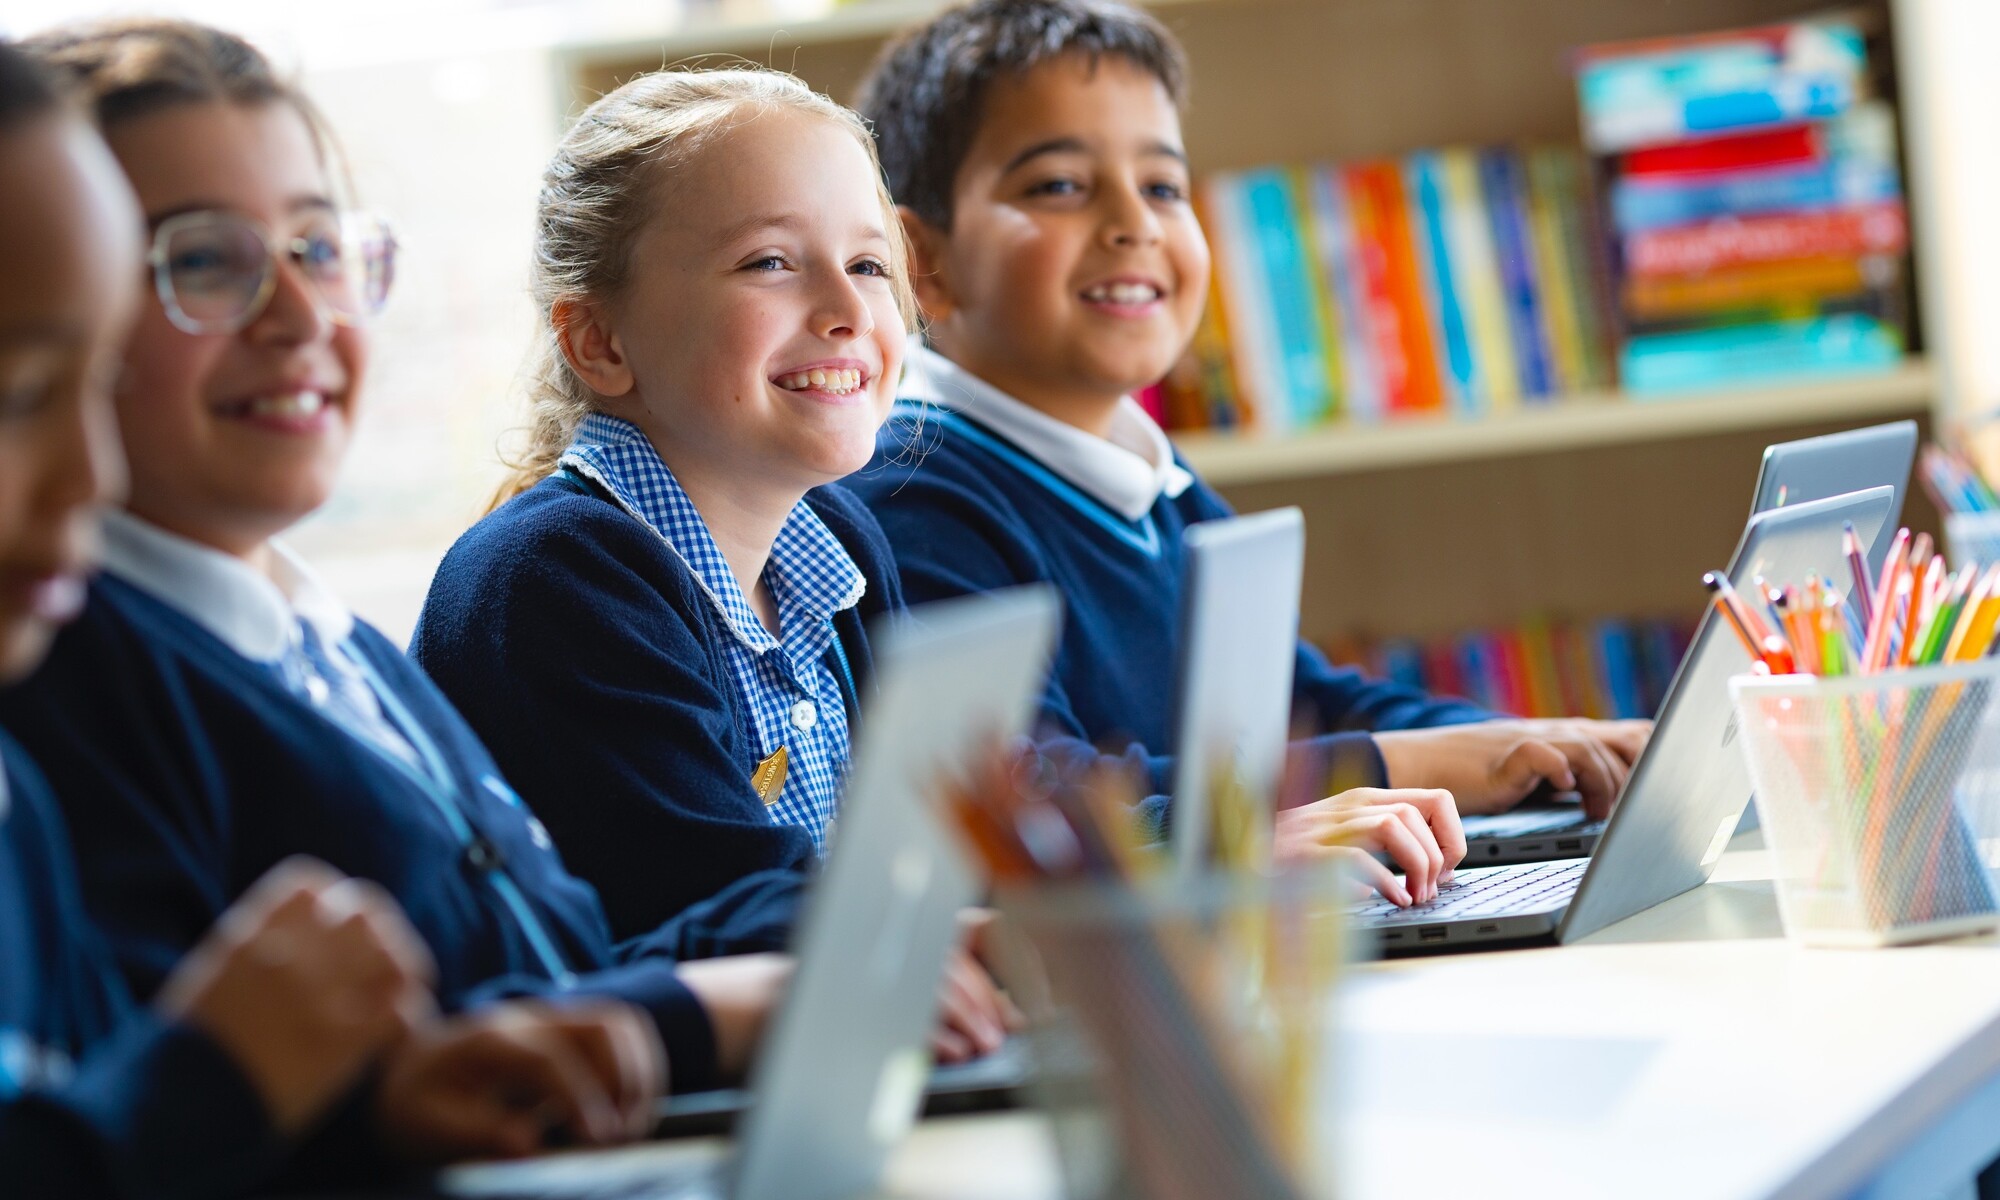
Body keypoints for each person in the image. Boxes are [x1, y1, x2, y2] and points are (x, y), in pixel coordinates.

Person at [0, 39, 665, 1196]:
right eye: (205, 262)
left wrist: (375, 1112)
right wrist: (228, 1087)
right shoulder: (80, 677)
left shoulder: (331, 639)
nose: (299, 309)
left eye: (318, 247)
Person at [846, 0, 1652, 874]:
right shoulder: (911, 492)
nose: (1135, 224)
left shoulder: (1149, 474)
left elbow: (1304, 701)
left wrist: (1527, 745)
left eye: (1163, 186)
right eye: (1060, 186)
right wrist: (1402, 767)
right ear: (920, 263)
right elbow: (1038, 802)